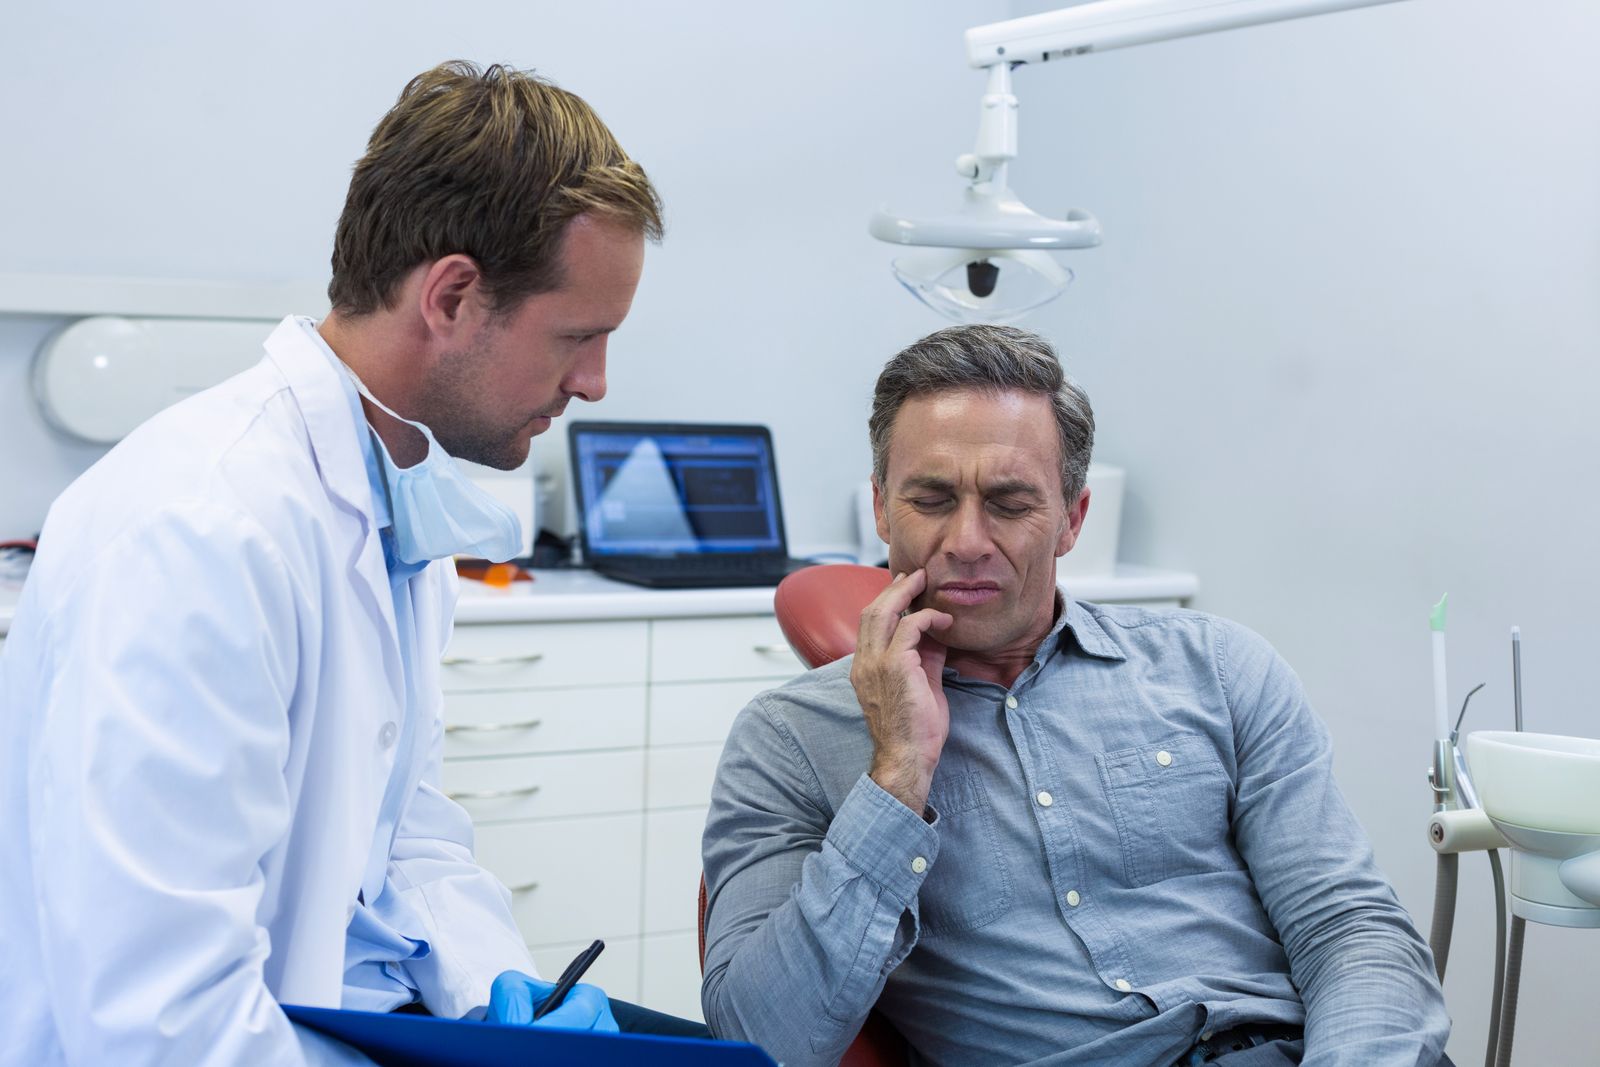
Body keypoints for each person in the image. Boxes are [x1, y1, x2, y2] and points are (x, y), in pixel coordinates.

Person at [0, 61, 693, 1066]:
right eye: (576, 338)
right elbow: (158, 1017)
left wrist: (491, 997)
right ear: (452, 294)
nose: (592, 382)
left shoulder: (388, 495)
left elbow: (400, 825)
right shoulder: (201, 527)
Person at [700, 324, 1454, 1067]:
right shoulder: (787, 739)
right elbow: (764, 1043)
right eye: (931, 498)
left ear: (1073, 518)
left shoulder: (1220, 669)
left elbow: (1350, 926)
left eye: (1007, 501)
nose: (966, 539)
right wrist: (897, 775)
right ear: (880, 507)